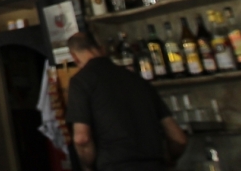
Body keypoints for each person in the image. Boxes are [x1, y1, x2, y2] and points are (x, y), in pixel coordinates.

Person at [66, 33, 188, 171]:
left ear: (74, 57)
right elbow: (179, 138)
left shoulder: (81, 82)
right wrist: (170, 160)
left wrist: (88, 166)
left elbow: (82, 138)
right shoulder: (138, 80)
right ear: (102, 49)